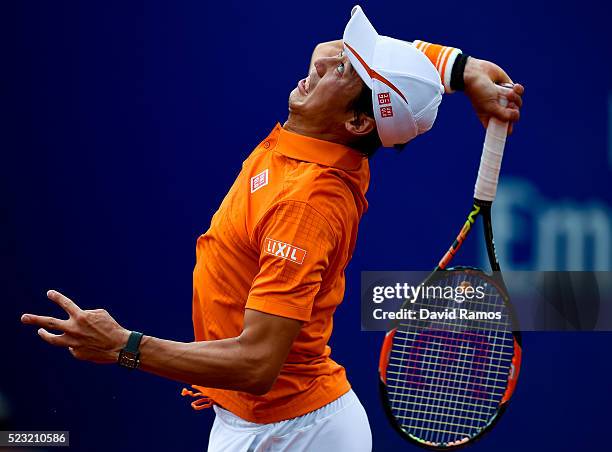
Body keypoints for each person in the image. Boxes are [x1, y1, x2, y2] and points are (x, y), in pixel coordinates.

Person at [21, 6, 523, 452]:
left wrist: (126, 347)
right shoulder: (326, 132)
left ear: (356, 124)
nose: (323, 62)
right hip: (254, 423)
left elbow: (258, 364)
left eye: (345, 70)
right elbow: (344, 59)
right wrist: (465, 69)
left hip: (297, 436)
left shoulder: (306, 204)